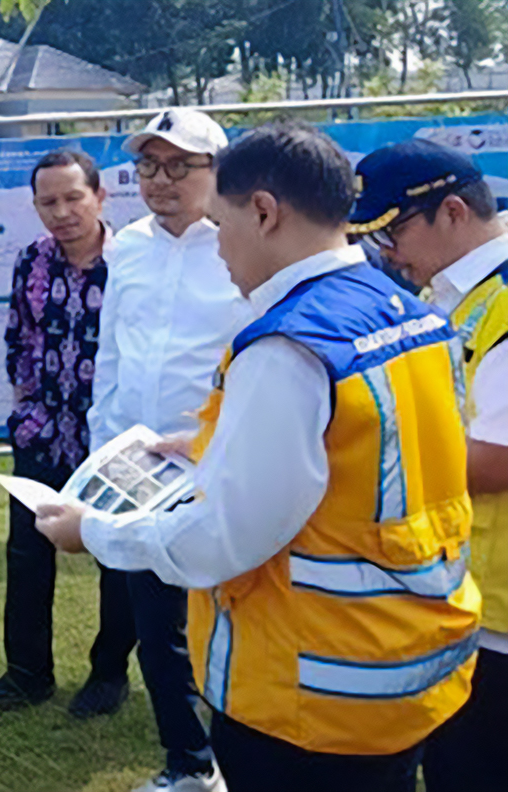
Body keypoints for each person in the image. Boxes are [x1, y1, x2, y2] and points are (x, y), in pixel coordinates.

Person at [37, 122, 479, 792]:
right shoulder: (406, 309)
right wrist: (219, 444)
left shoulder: (288, 348)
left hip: (311, 685)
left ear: (265, 212)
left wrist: (92, 531)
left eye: (220, 224)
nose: (217, 249)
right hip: (407, 654)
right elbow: (367, 459)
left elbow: (221, 540)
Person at [88, 108, 246, 792]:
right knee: (158, 627)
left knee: (236, 623)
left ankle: (248, 758)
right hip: (140, 467)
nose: (162, 180)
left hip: (225, 463)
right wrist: (104, 441)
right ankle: (188, 761)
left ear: (219, 172)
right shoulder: (125, 246)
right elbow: (112, 350)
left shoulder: (245, 245)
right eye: (149, 166)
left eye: (182, 165)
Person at [349, 138, 507, 792]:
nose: (387, 254)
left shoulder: (499, 303)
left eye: (393, 231)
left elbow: (497, 461)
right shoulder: (460, 294)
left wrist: (359, 459)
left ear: (451, 212)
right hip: (468, 594)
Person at [0, 149, 139, 717]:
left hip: (110, 439)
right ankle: (26, 674)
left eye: (74, 197)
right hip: (43, 433)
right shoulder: (31, 260)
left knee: (116, 557)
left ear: (100, 196)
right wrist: (25, 408)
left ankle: (108, 673)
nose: (62, 211)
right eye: (49, 201)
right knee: (26, 553)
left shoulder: (132, 262)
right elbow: (17, 334)